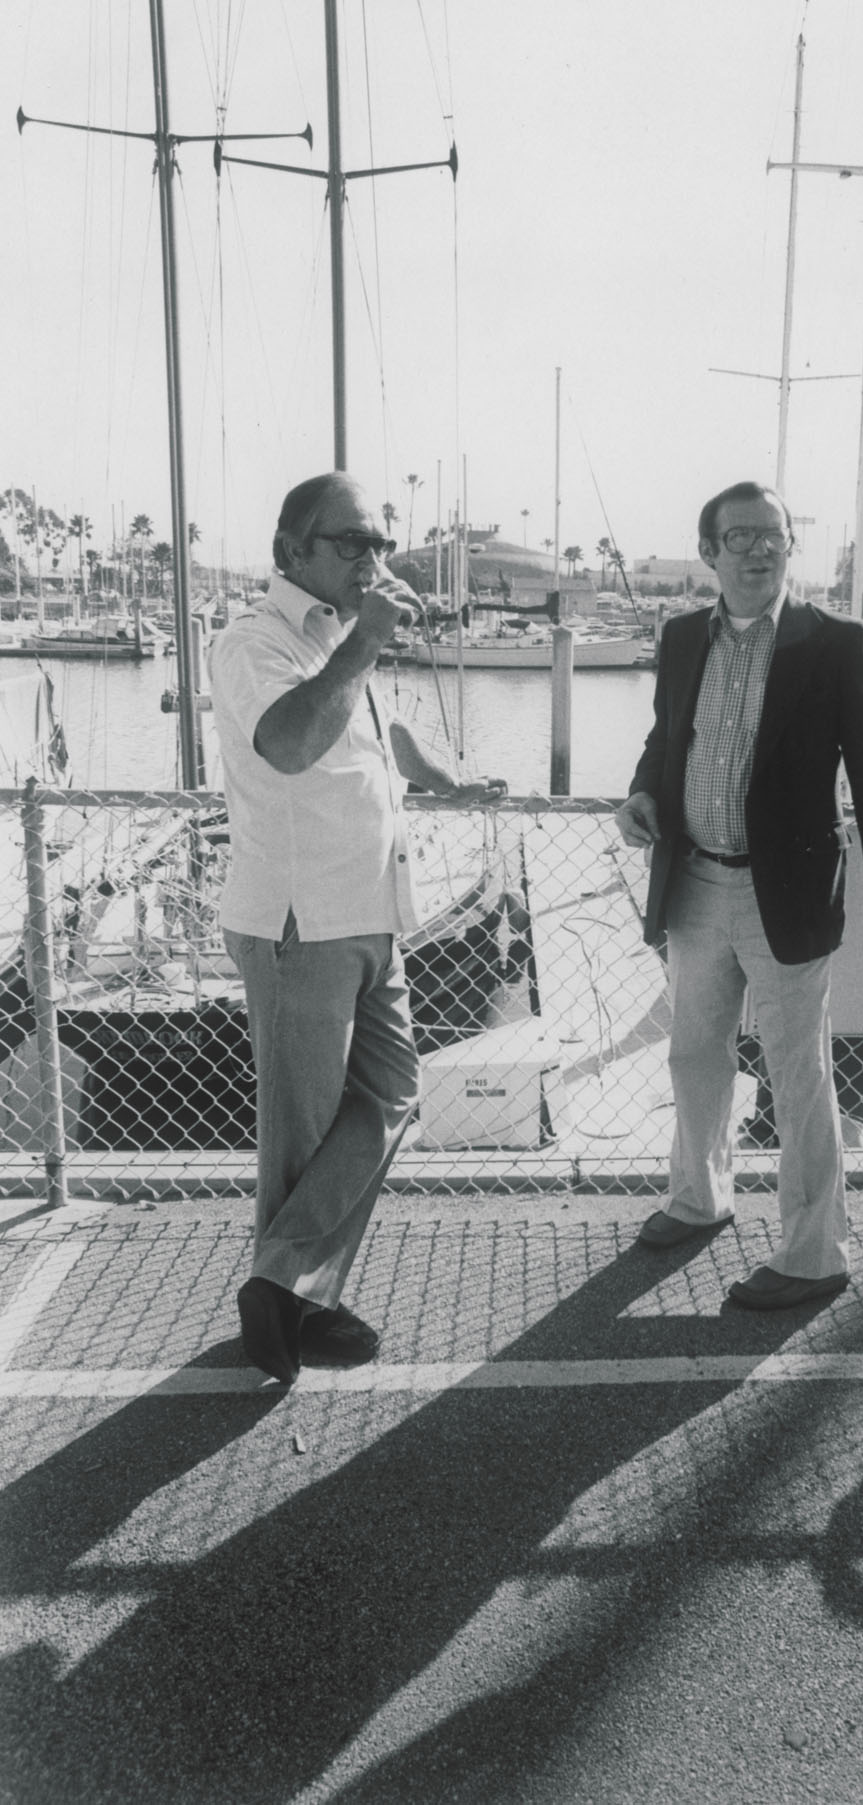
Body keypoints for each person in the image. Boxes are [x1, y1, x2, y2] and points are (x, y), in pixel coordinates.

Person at [210, 471, 506, 1383]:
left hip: (372, 912)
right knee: (300, 1133)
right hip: (299, 923)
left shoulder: (343, 637)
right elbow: (293, 743)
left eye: (380, 542)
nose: (372, 559)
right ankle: (294, 1304)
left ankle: (282, 1282)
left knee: (392, 1092)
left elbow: (386, 737)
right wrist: (369, 641)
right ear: (290, 551)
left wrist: (449, 778)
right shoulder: (252, 642)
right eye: (351, 543)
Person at [614, 480, 863, 1310]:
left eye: (772, 535)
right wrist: (641, 792)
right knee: (693, 1054)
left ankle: (815, 1254)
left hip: (782, 892)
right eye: (740, 536)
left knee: (797, 1075)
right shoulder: (683, 637)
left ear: (791, 546)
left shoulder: (836, 644)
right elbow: (667, 737)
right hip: (693, 882)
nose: (758, 549)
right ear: (709, 551)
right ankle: (699, 1197)